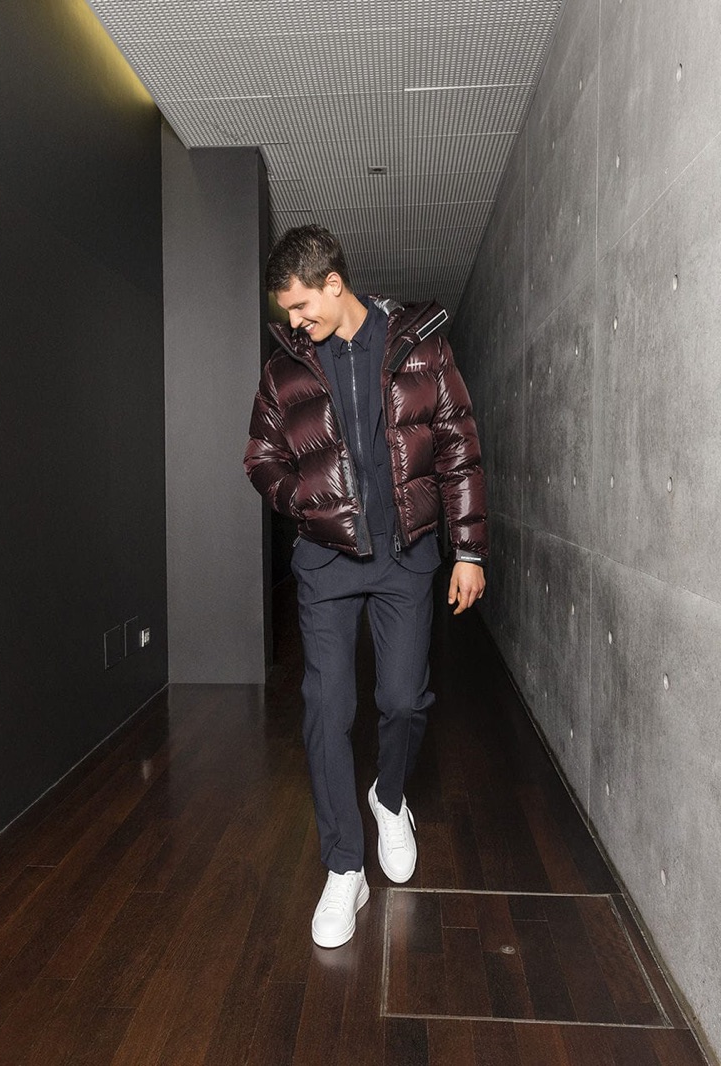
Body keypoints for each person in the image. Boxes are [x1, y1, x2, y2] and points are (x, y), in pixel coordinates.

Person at [244, 225, 488, 949]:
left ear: (334, 284)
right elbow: (259, 457)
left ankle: (389, 798)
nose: (295, 322)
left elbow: (459, 448)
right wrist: (303, 499)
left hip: (406, 556)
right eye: (288, 312)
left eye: (301, 306)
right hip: (325, 561)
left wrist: (469, 551)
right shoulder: (284, 370)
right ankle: (344, 866)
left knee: (404, 698)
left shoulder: (421, 347)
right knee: (328, 708)